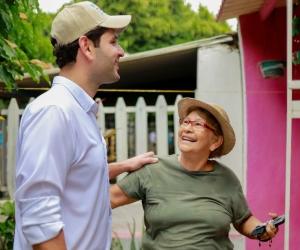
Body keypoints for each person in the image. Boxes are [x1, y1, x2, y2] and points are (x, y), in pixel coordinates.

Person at [14, 2, 158, 250]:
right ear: (86, 46)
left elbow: (75, 174)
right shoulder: (55, 111)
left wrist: (124, 165)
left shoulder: (78, 111)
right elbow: (40, 215)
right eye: (113, 42)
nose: (121, 51)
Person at [110, 97, 280, 250]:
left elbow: (243, 219)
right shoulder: (153, 169)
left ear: (215, 141)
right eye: (185, 122)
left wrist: (262, 230)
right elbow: (105, 199)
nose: (188, 128)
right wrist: (122, 166)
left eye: (198, 124)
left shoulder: (227, 179)